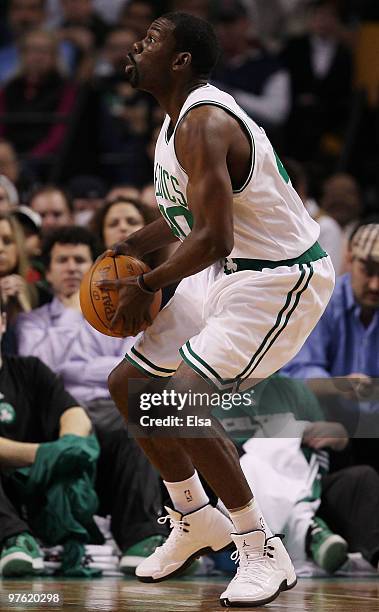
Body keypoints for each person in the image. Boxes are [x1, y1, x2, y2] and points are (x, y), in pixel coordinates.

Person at [97, 12, 335, 607]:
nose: (136, 45)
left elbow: (214, 237)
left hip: (282, 279)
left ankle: (260, 547)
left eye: (151, 39)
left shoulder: (204, 123)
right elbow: (185, 219)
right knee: (130, 384)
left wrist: (147, 282)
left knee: (179, 397)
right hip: (228, 271)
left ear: (180, 61)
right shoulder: (175, 119)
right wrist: (128, 248)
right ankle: (193, 517)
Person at [15, 225, 167, 573]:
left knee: (141, 416)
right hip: (58, 415)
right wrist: (72, 314)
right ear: (48, 270)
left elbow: (131, 369)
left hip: (113, 411)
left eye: (80, 260)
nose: (71, 268)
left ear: (96, 267)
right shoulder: (30, 322)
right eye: (62, 260)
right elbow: (42, 374)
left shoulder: (122, 312)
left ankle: (140, 540)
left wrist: (75, 369)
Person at [283, 218, 379, 470]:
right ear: (349, 259)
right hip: (323, 416)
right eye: (368, 269)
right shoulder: (323, 302)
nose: (375, 284)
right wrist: (338, 385)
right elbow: (295, 374)